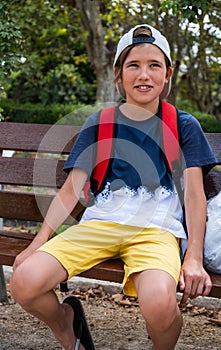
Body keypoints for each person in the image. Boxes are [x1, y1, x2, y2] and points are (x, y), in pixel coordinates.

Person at [10, 24, 217, 350]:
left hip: (157, 230)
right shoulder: (100, 123)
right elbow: (70, 189)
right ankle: (69, 329)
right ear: (118, 76)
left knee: (159, 305)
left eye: (154, 65)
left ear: (168, 75)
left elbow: (194, 195)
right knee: (24, 282)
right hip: (101, 223)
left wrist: (192, 258)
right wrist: (37, 243)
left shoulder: (183, 125)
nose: (144, 75)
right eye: (133, 65)